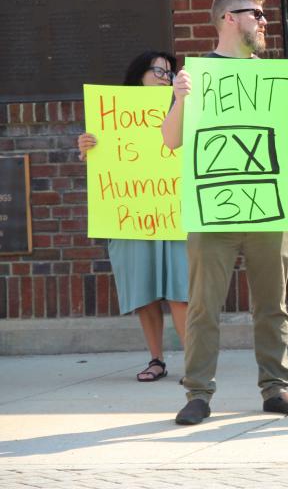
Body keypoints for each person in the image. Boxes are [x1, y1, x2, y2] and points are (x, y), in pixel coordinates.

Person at [161, 0, 288, 425]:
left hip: (269, 208)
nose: (265, 22)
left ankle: (276, 388)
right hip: (213, 209)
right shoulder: (195, 77)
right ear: (229, 19)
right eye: (257, 14)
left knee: (273, 303)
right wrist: (178, 100)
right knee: (203, 305)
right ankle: (198, 393)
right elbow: (171, 140)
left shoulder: (275, 77)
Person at [78, 51, 188, 383]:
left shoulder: (181, 108)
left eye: (170, 73)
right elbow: (105, 163)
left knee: (180, 290)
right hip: (132, 214)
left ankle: (195, 363)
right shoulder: (113, 113)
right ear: (138, 73)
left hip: (173, 212)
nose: (164, 77)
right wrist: (87, 148)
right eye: (158, 70)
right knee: (144, 291)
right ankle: (156, 359)